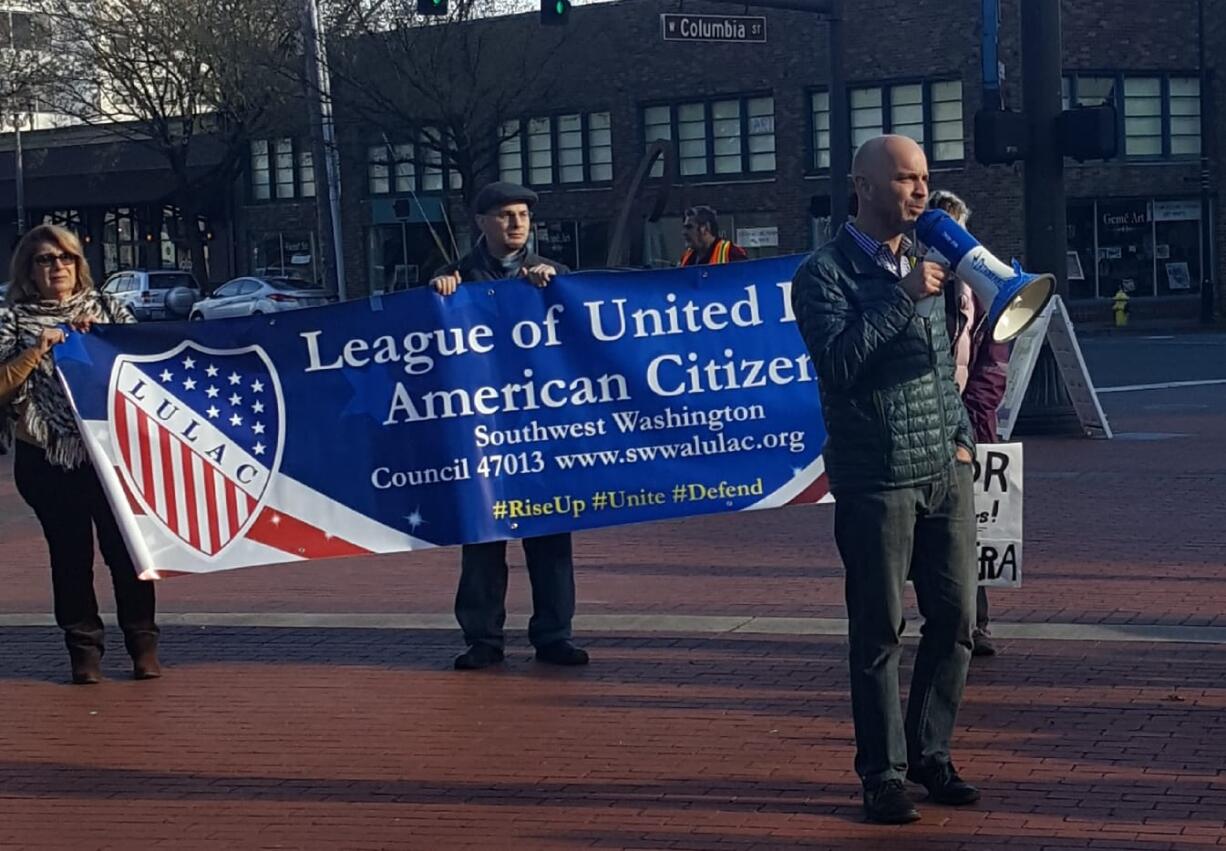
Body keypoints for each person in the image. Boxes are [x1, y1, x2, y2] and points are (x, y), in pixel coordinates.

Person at [790, 136, 980, 824]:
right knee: (879, 632)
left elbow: (939, 369)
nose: (921, 192)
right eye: (905, 180)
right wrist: (901, 297)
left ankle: (931, 753)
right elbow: (839, 365)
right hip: (876, 479)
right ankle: (883, 774)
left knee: (956, 620)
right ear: (863, 187)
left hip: (941, 473)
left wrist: (961, 441)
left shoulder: (933, 262)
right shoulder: (824, 273)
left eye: (925, 178)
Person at [430, 181, 589, 671]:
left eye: (522, 215)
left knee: (551, 540)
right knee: (482, 540)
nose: (517, 223)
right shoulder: (452, 279)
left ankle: (554, 634)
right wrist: (438, 296)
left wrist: (555, 289)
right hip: (482, 433)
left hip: (541, 431)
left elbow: (579, 346)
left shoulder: (553, 277)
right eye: (504, 215)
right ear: (481, 223)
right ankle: (482, 638)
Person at [0, 224, 160, 685]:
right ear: (28, 267)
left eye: (66, 258)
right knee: (70, 558)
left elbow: (145, 367)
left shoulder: (109, 308)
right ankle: (84, 651)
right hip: (47, 455)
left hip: (112, 455)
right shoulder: (11, 319)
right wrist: (37, 349)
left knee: (127, 552)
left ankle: (142, 643)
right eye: (45, 259)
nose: (57, 267)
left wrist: (103, 338)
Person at [928, 190, 1011, 658]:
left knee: (972, 528)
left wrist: (975, 422)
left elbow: (994, 362)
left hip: (966, 421)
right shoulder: (917, 278)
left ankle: (974, 623)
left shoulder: (981, 285)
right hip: (925, 419)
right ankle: (940, 615)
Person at [679, 206, 748, 266]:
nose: (684, 232)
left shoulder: (731, 252)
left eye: (689, 227)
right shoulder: (686, 257)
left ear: (705, 228)